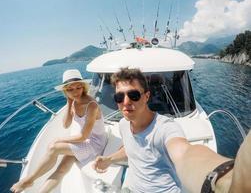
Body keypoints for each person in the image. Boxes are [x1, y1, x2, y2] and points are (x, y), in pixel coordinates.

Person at [93, 67, 251, 193]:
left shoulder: (165, 129)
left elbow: (185, 154)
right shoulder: (123, 124)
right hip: (132, 188)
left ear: (147, 96)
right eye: (119, 97)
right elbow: (131, 148)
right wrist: (109, 160)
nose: (125, 102)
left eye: (133, 95)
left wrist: (224, 180)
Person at [11, 69, 107, 193]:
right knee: (61, 169)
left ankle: (28, 180)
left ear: (83, 87)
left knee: (53, 147)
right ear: (65, 91)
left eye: (78, 87)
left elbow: (83, 136)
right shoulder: (74, 102)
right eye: (70, 90)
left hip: (95, 143)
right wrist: (69, 102)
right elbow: (66, 124)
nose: (75, 92)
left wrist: (59, 139)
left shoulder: (91, 105)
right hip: (85, 142)